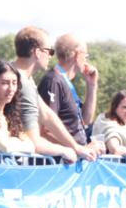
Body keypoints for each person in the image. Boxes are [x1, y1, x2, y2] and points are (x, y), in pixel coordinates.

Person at [11, 26, 97, 163]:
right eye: (50, 51)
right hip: (8, 164)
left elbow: (47, 115)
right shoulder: (23, 81)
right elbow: (37, 139)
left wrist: (77, 147)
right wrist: (69, 150)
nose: (51, 56)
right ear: (37, 52)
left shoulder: (26, 79)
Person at [38, 34, 102, 151]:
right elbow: (45, 130)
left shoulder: (65, 82)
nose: (86, 60)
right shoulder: (54, 81)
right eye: (86, 55)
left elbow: (85, 120)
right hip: (58, 163)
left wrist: (92, 85)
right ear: (77, 54)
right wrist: (79, 149)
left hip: (72, 160)